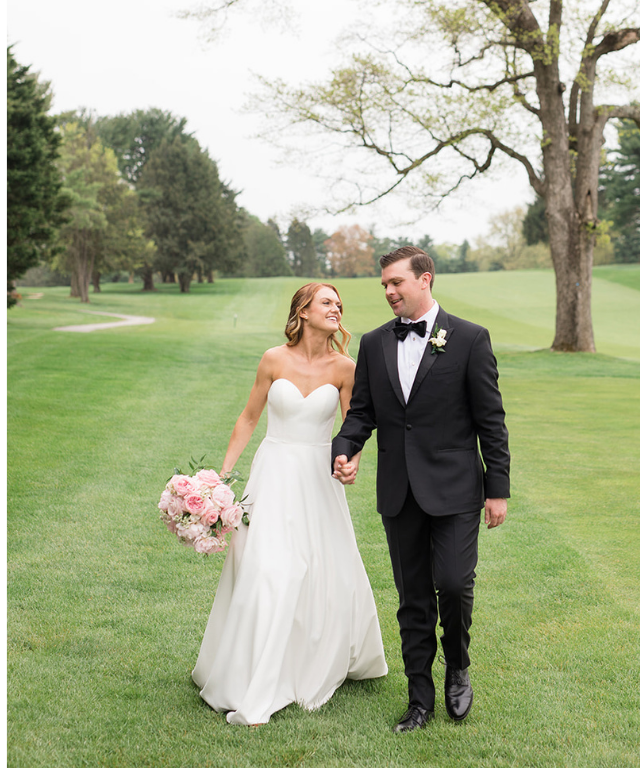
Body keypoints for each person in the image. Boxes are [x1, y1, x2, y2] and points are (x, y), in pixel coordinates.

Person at [331, 245, 511, 733]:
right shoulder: (372, 343)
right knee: (413, 598)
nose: (389, 292)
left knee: (452, 583)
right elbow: (362, 412)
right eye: (384, 285)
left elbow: (490, 420)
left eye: (396, 283)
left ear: (425, 279)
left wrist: (498, 489)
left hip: (455, 489)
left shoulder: (471, 339)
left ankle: (458, 666)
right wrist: (343, 447)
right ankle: (419, 699)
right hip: (399, 490)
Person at [193, 283, 388, 725]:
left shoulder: (345, 367)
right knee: (268, 570)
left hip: (317, 481)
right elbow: (248, 418)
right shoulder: (273, 359)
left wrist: (350, 460)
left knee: (317, 569)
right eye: (326, 302)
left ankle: (309, 660)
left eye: (339, 304)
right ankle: (252, 671)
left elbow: (352, 425)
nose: (336, 308)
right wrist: (221, 478)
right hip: (273, 473)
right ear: (302, 310)